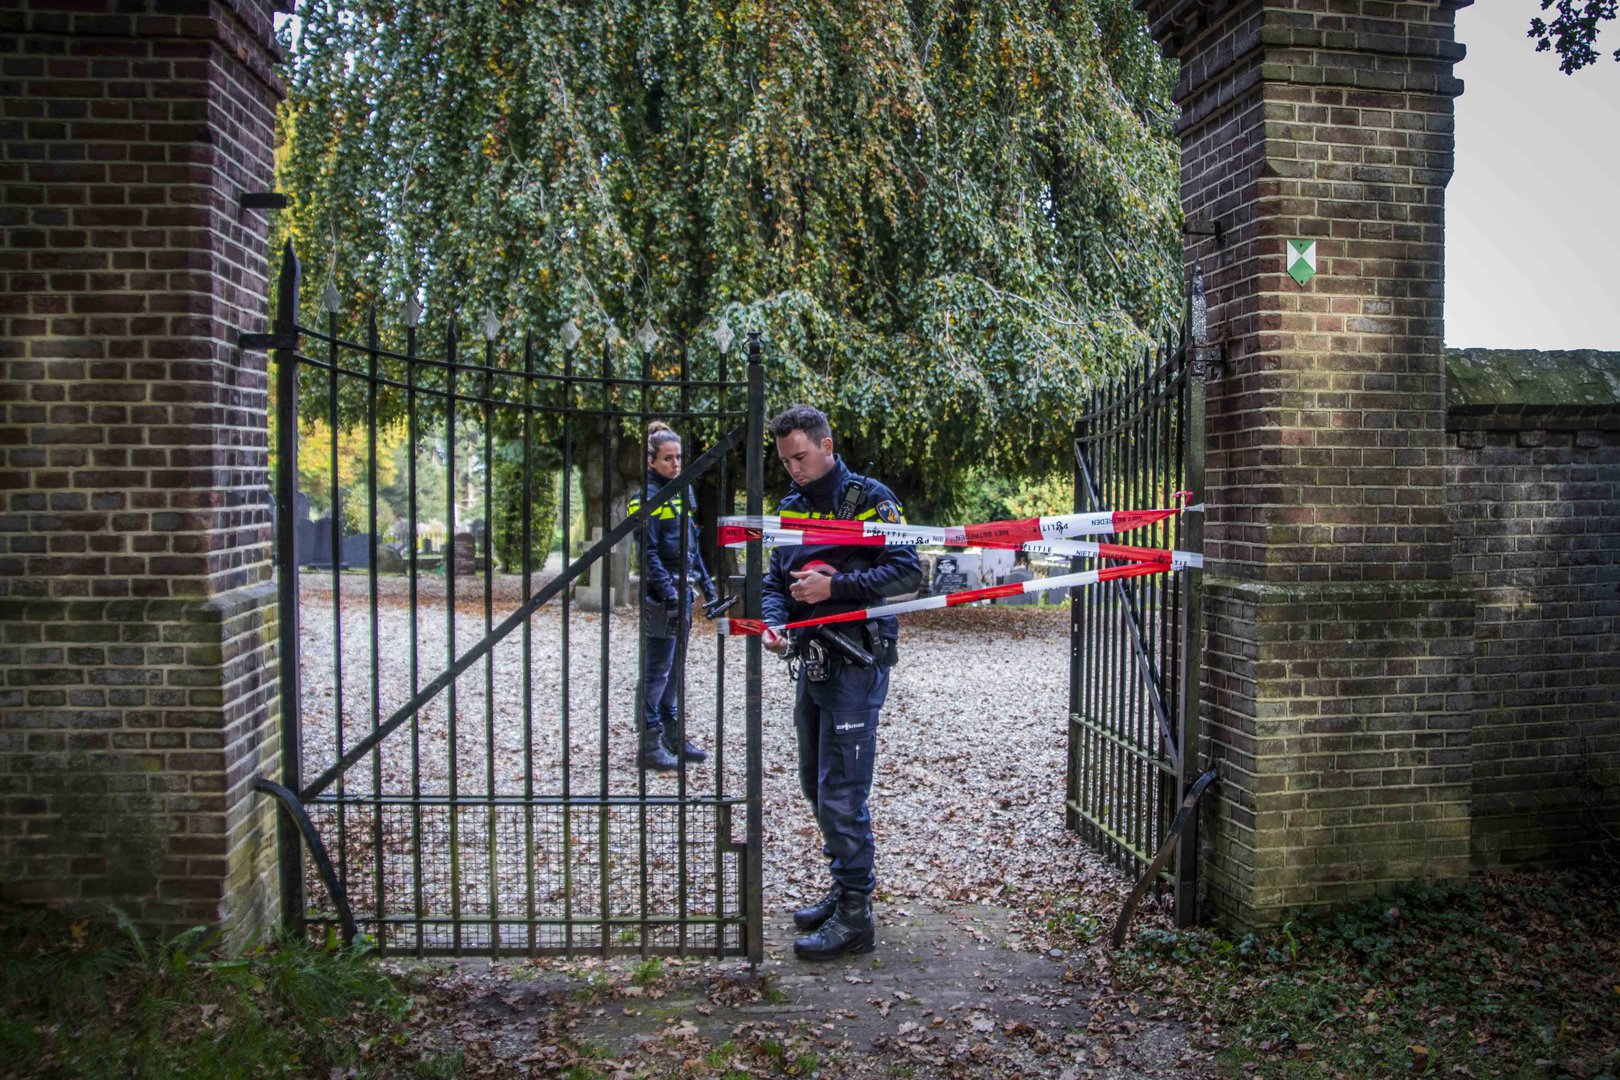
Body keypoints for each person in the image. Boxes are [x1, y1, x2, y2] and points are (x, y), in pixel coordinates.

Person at [760, 405, 920, 960]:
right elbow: (773, 580)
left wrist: (837, 589)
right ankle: (842, 888)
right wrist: (775, 622)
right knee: (814, 783)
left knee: (842, 791)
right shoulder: (788, 508)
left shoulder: (871, 499)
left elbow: (907, 572)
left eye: (800, 457)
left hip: (857, 659)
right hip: (811, 660)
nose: (793, 470)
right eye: (784, 461)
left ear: (827, 445)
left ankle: (856, 914)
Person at [629, 421, 718, 772]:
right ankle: (649, 744)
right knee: (656, 671)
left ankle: (672, 735)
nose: (676, 465)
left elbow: (691, 548)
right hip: (661, 597)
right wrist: (668, 592)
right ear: (651, 461)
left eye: (679, 458)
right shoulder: (644, 499)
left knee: (674, 669)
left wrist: (707, 587)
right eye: (668, 459)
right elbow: (647, 554)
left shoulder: (682, 493)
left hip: (682, 592)